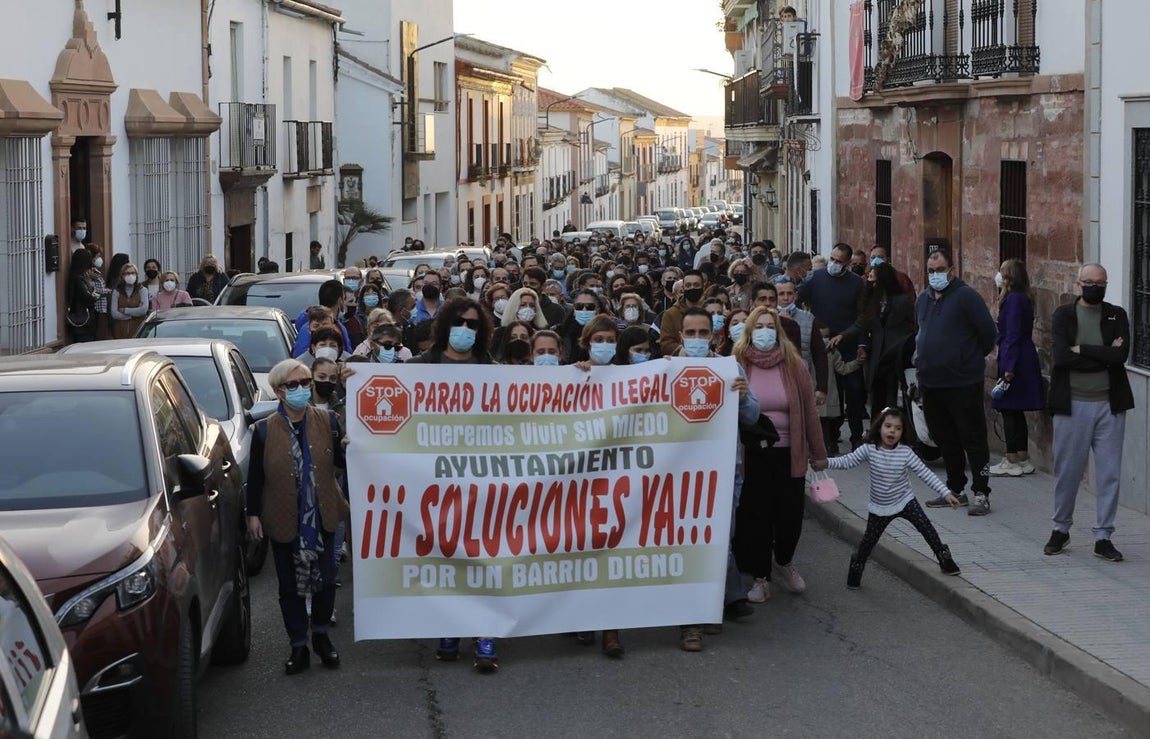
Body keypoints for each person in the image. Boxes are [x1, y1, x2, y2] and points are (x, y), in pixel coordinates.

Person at [408, 298, 500, 669]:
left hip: (483, 479)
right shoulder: (418, 368)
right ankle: (449, 627)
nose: (466, 329)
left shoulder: (491, 370)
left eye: (475, 325)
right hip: (435, 481)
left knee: (484, 556)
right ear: (445, 324)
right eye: (461, 322)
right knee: (447, 555)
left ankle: (485, 632)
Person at [246, 358, 349, 675]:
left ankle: (320, 636)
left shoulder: (328, 420)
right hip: (284, 518)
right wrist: (253, 516)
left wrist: (347, 447)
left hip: (323, 515)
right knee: (289, 588)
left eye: (306, 383)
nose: (302, 390)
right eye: (293, 385)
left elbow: (344, 464)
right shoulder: (263, 431)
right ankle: (298, 644)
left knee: (326, 582)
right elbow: (256, 478)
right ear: (278, 392)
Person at [733, 306, 827, 603]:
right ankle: (761, 577)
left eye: (769, 326)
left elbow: (810, 411)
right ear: (749, 331)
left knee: (790, 516)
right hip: (753, 454)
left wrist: (819, 452)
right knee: (757, 517)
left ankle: (784, 561)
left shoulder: (793, 364)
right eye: (758, 326)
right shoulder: (737, 363)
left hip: (790, 452)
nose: (764, 331)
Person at [1045, 264, 1133, 561]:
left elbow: (1121, 356)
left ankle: (1104, 535)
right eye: (1089, 282)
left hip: (1110, 405)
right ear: (1079, 283)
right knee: (1067, 471)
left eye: (1100, 282)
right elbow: (1062, 357)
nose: (1094, 286)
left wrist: (1082, 349)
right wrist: (1103, 355)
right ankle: (1060, 529)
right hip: (1072, 405)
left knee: (1109, 474)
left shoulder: (1116, 314)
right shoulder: (1064, 315)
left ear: (1106, 284)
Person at [827, 407, 962, 588]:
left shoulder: (906, 452)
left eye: (897, 428)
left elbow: (925, 474)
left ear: (902, 432)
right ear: (879, 427)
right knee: (868, 543)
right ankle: (856, 567)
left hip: (905, 500)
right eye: (888, 426)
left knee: (927, 528)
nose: (892, 431)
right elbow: (846, 461)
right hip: (880, 507)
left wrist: (946, 493)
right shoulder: (869, 449)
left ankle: (944, 560)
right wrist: (825, 462)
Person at [914, 248, 997, 516]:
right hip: (931, 382)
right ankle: (954, 489)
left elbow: (988, 334)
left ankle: (981, 492)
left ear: (952, 270)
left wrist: (966, 359)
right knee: (943, 437)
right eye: (930, 270)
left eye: (939, 270)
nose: (934, 275)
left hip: (962, 382)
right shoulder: (923, 300)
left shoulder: (966, 297)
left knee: (972, 437)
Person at [799, 243, 866, 448]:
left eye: (839, 261)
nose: (834, 264)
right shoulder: (815, 278)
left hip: (848, 345)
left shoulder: (856, 283)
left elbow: (863, 317)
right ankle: (830, 437)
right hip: (822, 346)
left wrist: (857, 341)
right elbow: (797, 300)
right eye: (832, 259)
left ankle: (857, 437)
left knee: (854, 392)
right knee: (826, 394)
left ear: (847, 263)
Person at [988, 260, 1043, 477]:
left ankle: (1011, 458)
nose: (998, 276)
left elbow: (1011, 335)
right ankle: (1023, 456)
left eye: (1002, 272)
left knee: (1009, 408)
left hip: (1015, 358)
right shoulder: (1023, 299)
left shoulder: (1012, 301)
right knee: (1016, 409)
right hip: (1024, 356)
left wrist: (1008, 367)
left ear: (1010, 277)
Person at [837, 262, 916, 414]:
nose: (870, 282)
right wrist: (842, 336)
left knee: (895, 395)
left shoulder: (902, 301)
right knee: (877, 394)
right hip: (878, 355)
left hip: (896, 353)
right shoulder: (872, 302)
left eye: (873, 279)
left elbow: (913, 325)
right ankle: (877, 428)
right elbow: (861, 323)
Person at [293, 279, 353, 356]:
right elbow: (302, 359)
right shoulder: (308, 329)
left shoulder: (340, 327)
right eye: (344, 298)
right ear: (340, 301)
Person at [659, 269, 706, 355]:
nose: (692, 288)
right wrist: (686, 350)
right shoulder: (671, 314)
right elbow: (666, 344)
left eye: (696, 285)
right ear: (683, 288)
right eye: (688, 285)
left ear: (703, 286)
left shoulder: (711, 310)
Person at [65, 248, 100, 343]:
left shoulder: (75, 276)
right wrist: (96, 296)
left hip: (81, 319)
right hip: (83, 320)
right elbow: (87, 297)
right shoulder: (79, 279)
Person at [109, 262, 150, 339]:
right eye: (127, 273)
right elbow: (114, 314)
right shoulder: (117, 291)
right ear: (122, 275)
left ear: (136, 275)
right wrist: (134, 314)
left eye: (132, 273)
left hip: (138, 331)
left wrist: (124, 310)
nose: (130, 275)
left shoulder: (142, 290)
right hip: (119, 331)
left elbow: (143, 310)